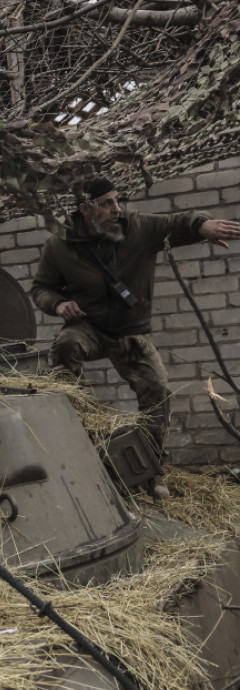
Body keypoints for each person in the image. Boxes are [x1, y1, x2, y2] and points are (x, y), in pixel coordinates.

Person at [30, 176, 240, 500]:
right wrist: (57, 303)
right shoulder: (59, 245)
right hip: (89, 327)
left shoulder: (139, 228)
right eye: (107, 203)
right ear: (86, 209)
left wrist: (203, 226)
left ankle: (152, 472)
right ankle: (75, 422)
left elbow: (178, 222)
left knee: (159, 391)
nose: (117, 208)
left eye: (118, 200)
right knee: (66, 345)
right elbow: (40, 288)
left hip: (132, 333)